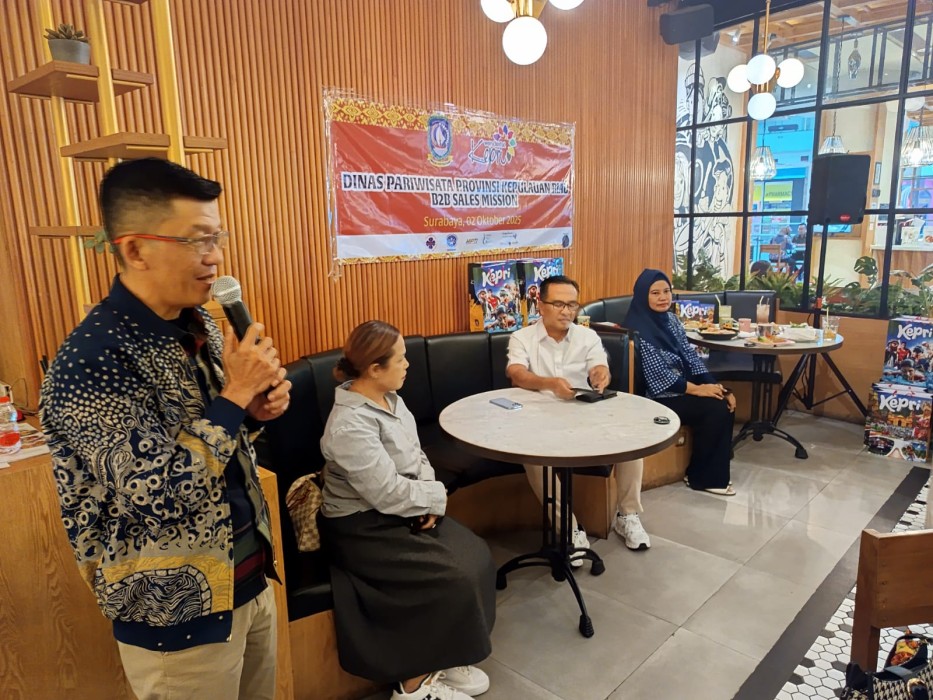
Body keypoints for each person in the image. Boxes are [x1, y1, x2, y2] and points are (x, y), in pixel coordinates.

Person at [39, 158, 292, 700]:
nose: (215, 256)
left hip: (247, 579)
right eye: (197, 240)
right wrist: (236, 396)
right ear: (135, 250)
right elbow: (158, 492)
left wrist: (252, 412)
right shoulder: (92, 359)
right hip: (176, 618)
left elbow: (215, 441)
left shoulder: (197, 326)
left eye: (217, 237)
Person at [319, 321, 496, 700]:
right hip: (360, 526)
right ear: (374, 369)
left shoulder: (391, 399)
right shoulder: (349, 425)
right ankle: (413, 686)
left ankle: (447, 654)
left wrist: (428, 497)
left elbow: (418, 457)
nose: (407, 364)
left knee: (475, 555)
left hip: (400, 506)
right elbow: (385, 492)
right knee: (449, 576)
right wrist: (432, 498)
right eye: (400, 359)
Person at [506, 275, 650, 555]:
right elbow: (517, 374)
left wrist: (600, 374)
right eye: (558, 304)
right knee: (533, 458)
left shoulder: (587, 336)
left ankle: (627, 515)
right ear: (541, 305)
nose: (567, 311)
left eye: (572, 305)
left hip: (584, 414)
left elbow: (599, 366)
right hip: (538, 420)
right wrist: (550, 383)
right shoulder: (521, 338)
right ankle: (568, 528)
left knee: (633, 443)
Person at [624, 269, 736, 496]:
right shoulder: (636, 329)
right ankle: (703, 478)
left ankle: (707, 469)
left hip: (682, 387)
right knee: (714, 408)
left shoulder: (672, 320)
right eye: (655, 293)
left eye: (666, 291)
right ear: (643, 295)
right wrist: (698, 390)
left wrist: (715, 386)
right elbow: (660, 377)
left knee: (723, 399)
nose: (663, 297)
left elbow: (690, 356)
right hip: (657, 397)